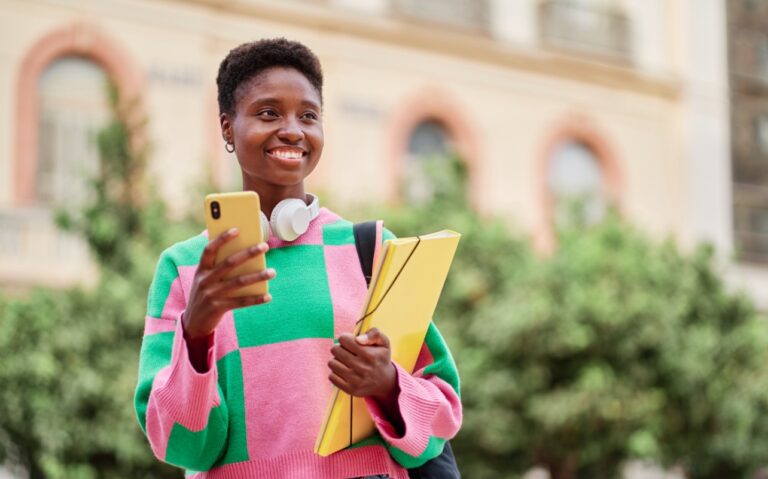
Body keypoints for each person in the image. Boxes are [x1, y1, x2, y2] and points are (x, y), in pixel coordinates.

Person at [134, 38, 462, 479]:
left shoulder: (372, 250)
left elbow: (442, 415)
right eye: (269, 113)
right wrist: (195, 334)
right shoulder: (185, 269)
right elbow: (183, 445)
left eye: (308, 115)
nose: (293, 129)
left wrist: (387, 386)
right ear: (228, 128)